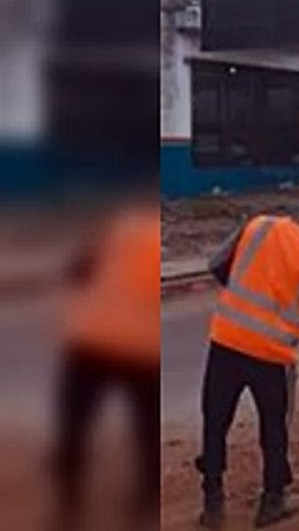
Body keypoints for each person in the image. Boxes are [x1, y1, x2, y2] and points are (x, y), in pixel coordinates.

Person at [194, 185, 299, 529]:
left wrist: (243, 285)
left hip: (226, 341)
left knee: (215, 421)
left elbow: (216, 264)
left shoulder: (259, 225)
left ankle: (213, 504)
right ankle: (272, 501)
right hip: (272, 355)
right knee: (275, 429)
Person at [55, 199, 161, 530]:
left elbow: (76, 271)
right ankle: (144, 501)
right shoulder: (152, 237)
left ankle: (68, 502)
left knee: (75, 426)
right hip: (136, 346)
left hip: (88, 339)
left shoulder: (117, 226)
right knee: (146, 425)